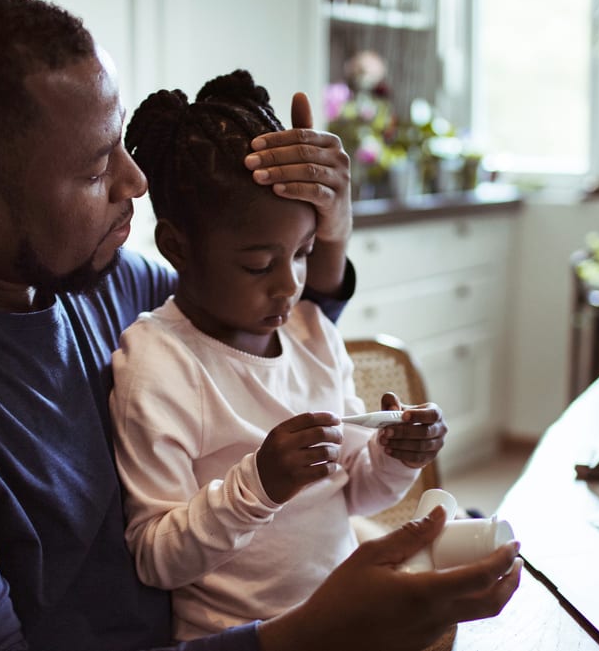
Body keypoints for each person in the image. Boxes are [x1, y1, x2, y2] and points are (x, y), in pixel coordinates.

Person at [0, 0, 520, 651]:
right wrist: (304, 636)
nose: (135, 181)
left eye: (121, 144)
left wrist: (327, 231)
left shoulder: (101, 278)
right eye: (95, 169)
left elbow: (258, 327)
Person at [113, 70, 443, 640]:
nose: (289, 286)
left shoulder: (313, 333)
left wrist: (395, 456)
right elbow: (155, 557)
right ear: (177, 247)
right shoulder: (158, 364)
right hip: (244, 639)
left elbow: (356, 495)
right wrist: (259, 485)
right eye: (259, 264)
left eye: (302, 254)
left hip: (346, 623)